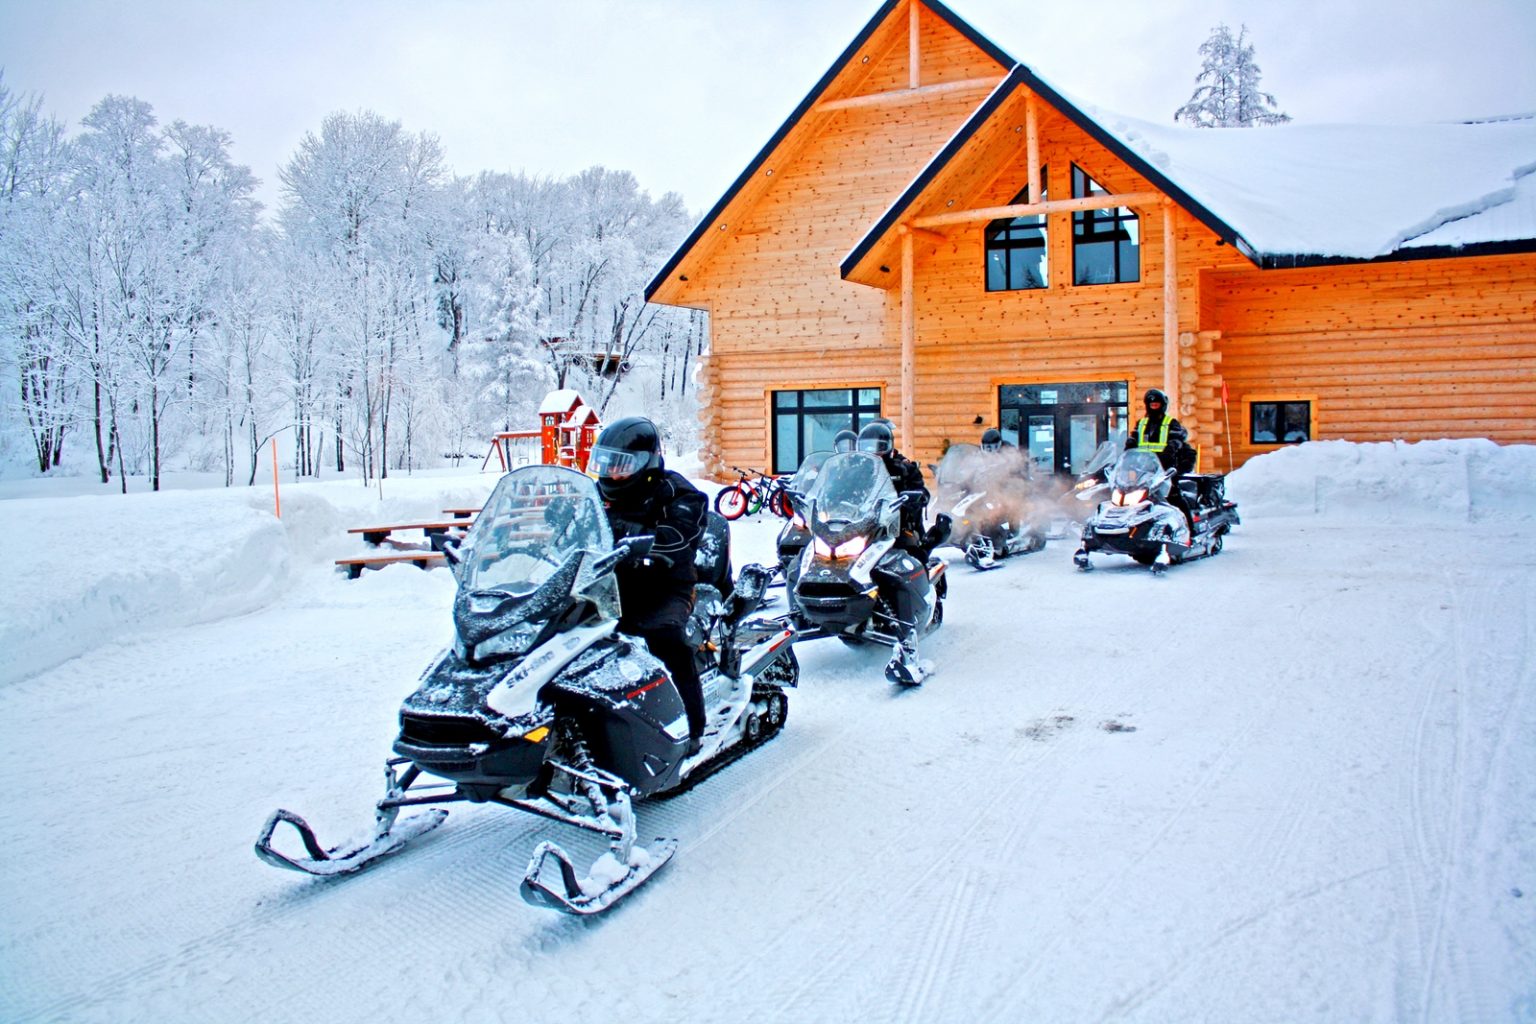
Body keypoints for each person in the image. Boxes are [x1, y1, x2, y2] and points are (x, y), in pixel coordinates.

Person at [587, 416, 710, 755]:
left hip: (665, 586)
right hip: (607, 585)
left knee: (664, 638)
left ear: (648, 462)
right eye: (606, 463)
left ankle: (691, 727)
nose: (612, 474)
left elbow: (682, 532)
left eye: (621, 466)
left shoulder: (677, 492)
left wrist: (643, 541)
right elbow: (568, 523)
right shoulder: (594, 494)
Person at [855, 421, 949, 683]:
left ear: (889, 446)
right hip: (865, 529)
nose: (873, 452)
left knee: (905, 563)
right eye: (867, 447)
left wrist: (913, 497)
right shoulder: (859, 469)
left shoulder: (903, 467)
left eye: (878, 447)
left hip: (899, 530)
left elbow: (921, 492)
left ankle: (907, 633)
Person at [1126, 388, 1193, 524]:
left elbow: (1178, 437)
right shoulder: (1142, 424)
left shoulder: (1170, 423)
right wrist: (1129, 448)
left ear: (1162, 405)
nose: (1154, 407)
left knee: (1173, 497)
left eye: (1157, 404)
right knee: (1132, 497)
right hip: (1143, 470)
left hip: (1165, 469)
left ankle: (1190, 529)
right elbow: (1133, 440)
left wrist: (1173, 446)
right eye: (1152, 405)